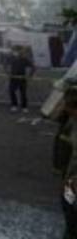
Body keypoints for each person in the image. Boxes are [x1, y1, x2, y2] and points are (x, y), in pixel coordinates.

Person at [58, 82, 77, 238]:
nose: (64, 108)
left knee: (69, 202)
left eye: (67, 106)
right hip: (71, 172)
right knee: (67, 201)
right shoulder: (72, 121)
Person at [9, 45, 37, 113]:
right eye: (16, 50)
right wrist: (7, 72)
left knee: (23, 93)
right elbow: (5, 64)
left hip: (22, 77)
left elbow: (33, 67)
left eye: (19, 51)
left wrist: (30, 75)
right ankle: (14, 105)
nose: (18, 52)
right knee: (11, 91)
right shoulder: (11, 58)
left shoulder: (24, 59)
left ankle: (24, 107)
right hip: (13, 77)